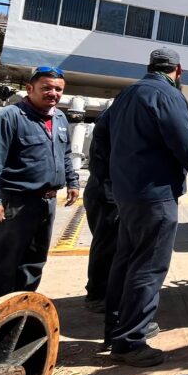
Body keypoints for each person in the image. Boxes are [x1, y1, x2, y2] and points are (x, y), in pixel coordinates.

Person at [93, 47, 188, 367]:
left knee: (125, 261)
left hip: (126, 194)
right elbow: (184, 141)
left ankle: (115, 330)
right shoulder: (168, 95)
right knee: (148, 267)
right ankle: (131, 341)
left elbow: (100, 137)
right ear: (179, 70)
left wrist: (107, 181)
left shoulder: (126, 95)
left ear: (150, 66)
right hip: (156, 195)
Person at [0, 66, 80, 302]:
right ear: (29, 89)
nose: (53, 93)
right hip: (15, 202)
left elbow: (65, 153)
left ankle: (20, 309)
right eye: (46, 88)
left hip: (46, 202)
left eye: (58, 89)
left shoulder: (59, 117)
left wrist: (72, 181)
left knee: (33, 262)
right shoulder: (7, 118)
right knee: (1, 263)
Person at [82, 109, 117, 314]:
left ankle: (100, 292)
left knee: (107, 245)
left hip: (102, 189)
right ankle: (98, 295)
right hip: (107, 192)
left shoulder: (109, 118)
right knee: (107, 247)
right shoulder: (115, 122)